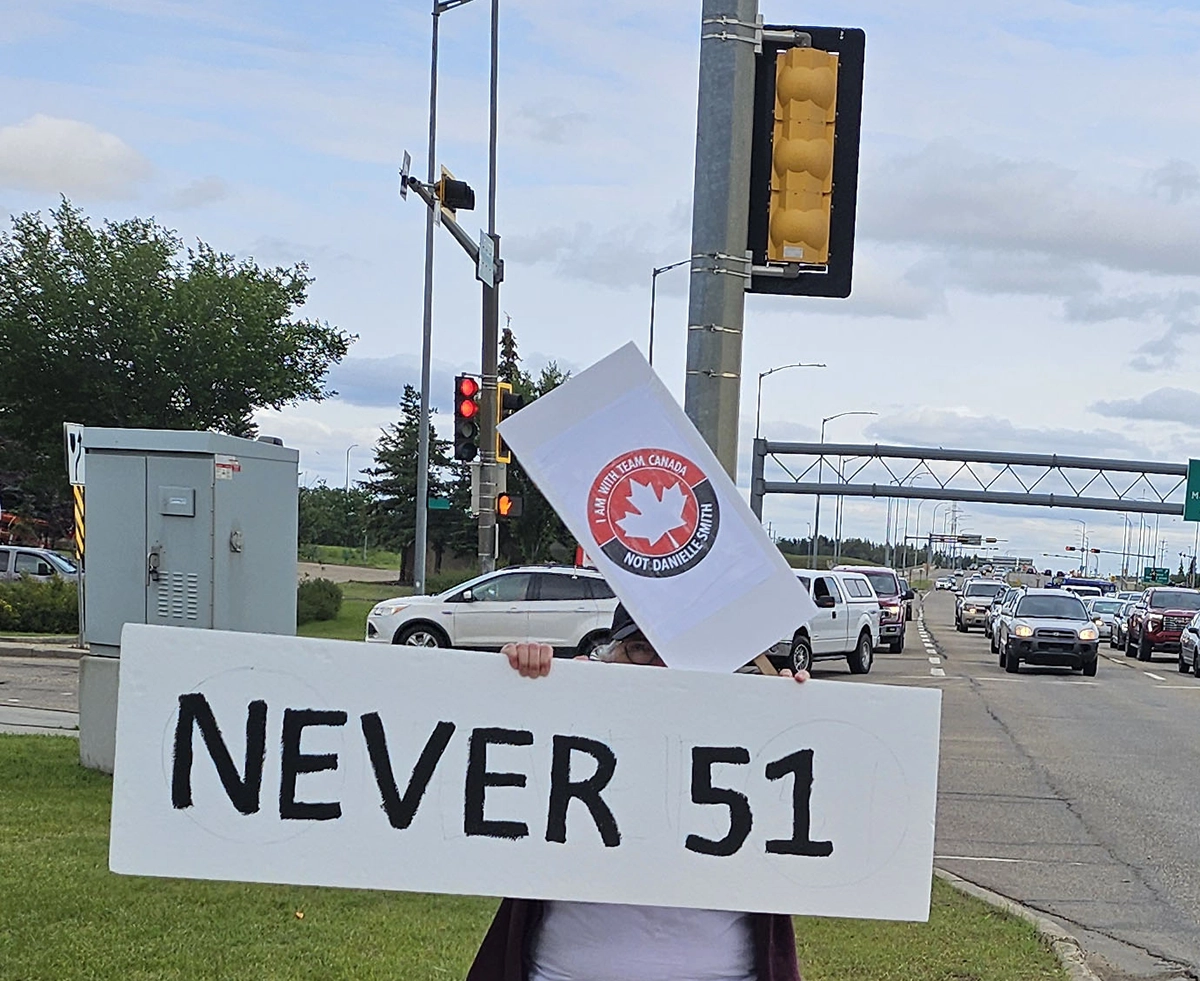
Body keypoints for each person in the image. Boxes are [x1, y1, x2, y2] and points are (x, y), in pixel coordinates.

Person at [465, 604, 809, 981]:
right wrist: (511, 681)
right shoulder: (567, 717)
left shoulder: (754, 729)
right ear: (608, 658)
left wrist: (792, 710)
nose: (662, 670)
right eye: (641, 649)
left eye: (683, 653)